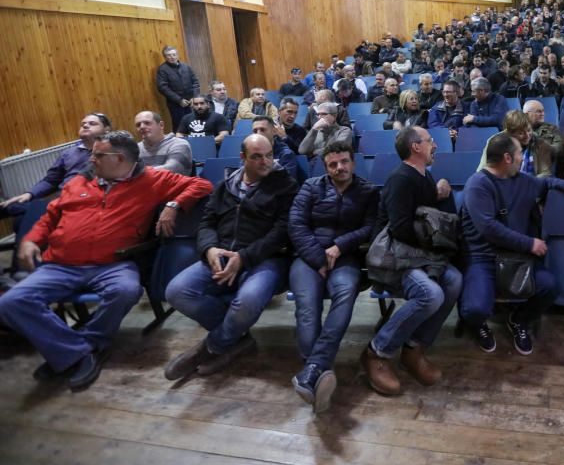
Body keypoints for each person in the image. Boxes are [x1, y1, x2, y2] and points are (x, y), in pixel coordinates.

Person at [0, 131, 212, 390]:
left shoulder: (151, 179)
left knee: (126, 290)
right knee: (11, 301)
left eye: (99, 155)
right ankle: (80, 352)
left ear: (119, 158)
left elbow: (202, 185)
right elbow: (50, 217)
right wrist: (31, 239)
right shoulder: (79, 182)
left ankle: (76, 349)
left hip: (113, 264)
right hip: (61, 264)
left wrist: (174, 206)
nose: (92, 159)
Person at [164, 134, 299, 380]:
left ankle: (210, 347)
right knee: (176, 291)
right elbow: (206, 223)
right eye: (257, 157)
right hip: (221, 254)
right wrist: (209, 249)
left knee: (247, 301)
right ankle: (237, 336)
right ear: (242, 158)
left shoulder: (285, 186)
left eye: (269, 155)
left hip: (265, 259)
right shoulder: (225, 186)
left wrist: (244, 257)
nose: (266, 161)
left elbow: (281, 233)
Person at [360, 127, 463, 396]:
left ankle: (414, 347)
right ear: (416, 147)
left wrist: (440, 194)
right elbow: (401, 228)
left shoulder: (424, 176)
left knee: (454, 282)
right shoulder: (400, 179)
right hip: (392, 258)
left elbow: (427, 216)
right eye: (430, 141)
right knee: (431, 294)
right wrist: (434, 250)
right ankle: (376, 351)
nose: (434, 145)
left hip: (415, 255)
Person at [461, 133, 564, 354]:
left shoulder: (522, 180)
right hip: (485, 258)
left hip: (517, 258)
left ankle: (519, 319)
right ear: (507, 158)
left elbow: (546, 182)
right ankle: (478, 324)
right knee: (474, 309)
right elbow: (489, 228)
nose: (522, 158)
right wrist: (529, 243)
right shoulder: (477, 184)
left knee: (550, 286)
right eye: (520, 153)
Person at [288, 140, 379, 412]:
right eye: (333, 164)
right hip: (308, 258)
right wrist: (319, 258)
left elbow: (371, 227)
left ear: (353, 162)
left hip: (347, 257)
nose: (340, 168)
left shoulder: (368, 191)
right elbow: (296, 225)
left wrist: (341, 245)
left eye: (344, 162)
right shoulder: (310, 187)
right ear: (326, 167)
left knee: (345, 294)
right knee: (307, 305)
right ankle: (317, 368)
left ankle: (312, 370)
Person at [1, 112, 112, 219]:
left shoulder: (114, 151)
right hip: (62, 198)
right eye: (83, 124)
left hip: (89, 201)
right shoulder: (68, 153)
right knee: (21, 215)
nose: (86, 125)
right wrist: (29, 194)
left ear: (107, 130)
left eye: (92, 123)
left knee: (29, 212)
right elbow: (51, 180)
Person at [156, 45, 200, 132]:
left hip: (191, 102)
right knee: (179, 126)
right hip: (176, 104)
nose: (172, 57)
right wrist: (179, 100)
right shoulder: (162, 69)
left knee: (195, 124)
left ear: (177, 55)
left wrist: (194, 97)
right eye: (169, 55)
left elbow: (195, 82)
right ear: (165, 57)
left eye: (174, 54)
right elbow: (163, 87)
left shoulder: (186, 67)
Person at [135, 110, 193, 175]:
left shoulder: (179, 144)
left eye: (147, 123)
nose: (142, 127)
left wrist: (137, 173)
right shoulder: (135, 148)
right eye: (138, 125)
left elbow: (172, 170)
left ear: (161, 125)